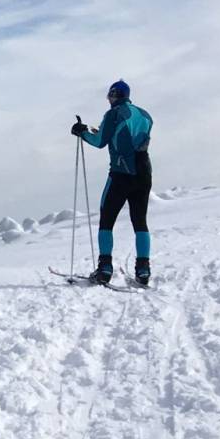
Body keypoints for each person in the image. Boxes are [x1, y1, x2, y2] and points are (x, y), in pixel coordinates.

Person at [72, 79, 154, 285]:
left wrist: (81, 132)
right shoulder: (145, 115)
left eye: (110, 95)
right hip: (144, 172)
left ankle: (105, 268)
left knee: (107, 218)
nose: (108, 99)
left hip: (120, 173)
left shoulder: (113, 114)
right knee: (140, 220)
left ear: (116, 95)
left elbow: (100, 141)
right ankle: (143, 269)